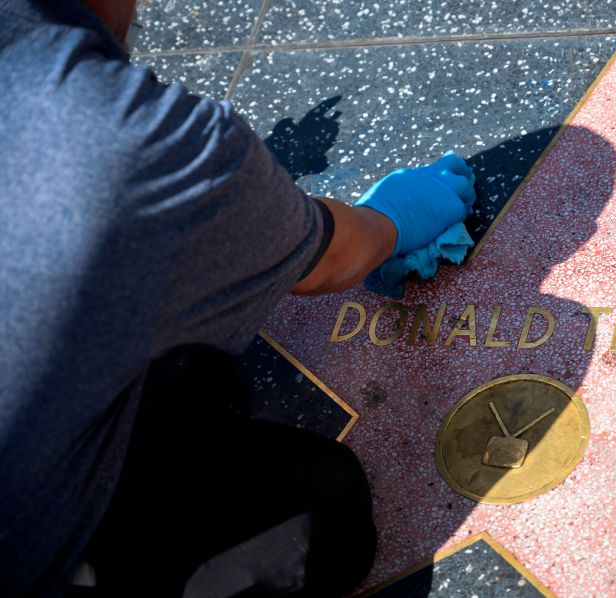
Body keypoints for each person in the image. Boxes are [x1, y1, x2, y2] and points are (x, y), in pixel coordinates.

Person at [0, 1, 476, 596]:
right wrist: (392, 219)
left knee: (191, 375)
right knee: (323, 507)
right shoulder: (144, 139)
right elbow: (332, 258)